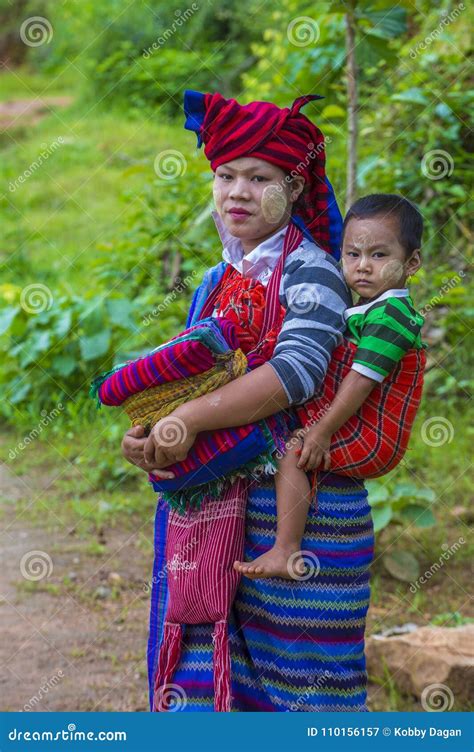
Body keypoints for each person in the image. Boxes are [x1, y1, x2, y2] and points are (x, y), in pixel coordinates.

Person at [122, 89, 375, 712]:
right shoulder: (217, 280)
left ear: (292, 189)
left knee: (304, 685)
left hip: (306, 513)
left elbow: (297, 374)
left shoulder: (313, 271)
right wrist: (149, 431)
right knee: (217, 682)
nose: (237, 190)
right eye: (225, 175)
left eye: (258, 178)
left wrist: (185, 420)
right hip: (216, 508)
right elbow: (186, 378)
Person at [234, 194, 425, 579]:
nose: (363, 267)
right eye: (352, 255)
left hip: (374, 437)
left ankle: (285, 550)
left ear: (412, 263)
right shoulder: (369, 309)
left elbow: (360, 380)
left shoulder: (392, 314)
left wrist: (320, 433)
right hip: (356, 425)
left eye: (379, 255)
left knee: (292, 453)